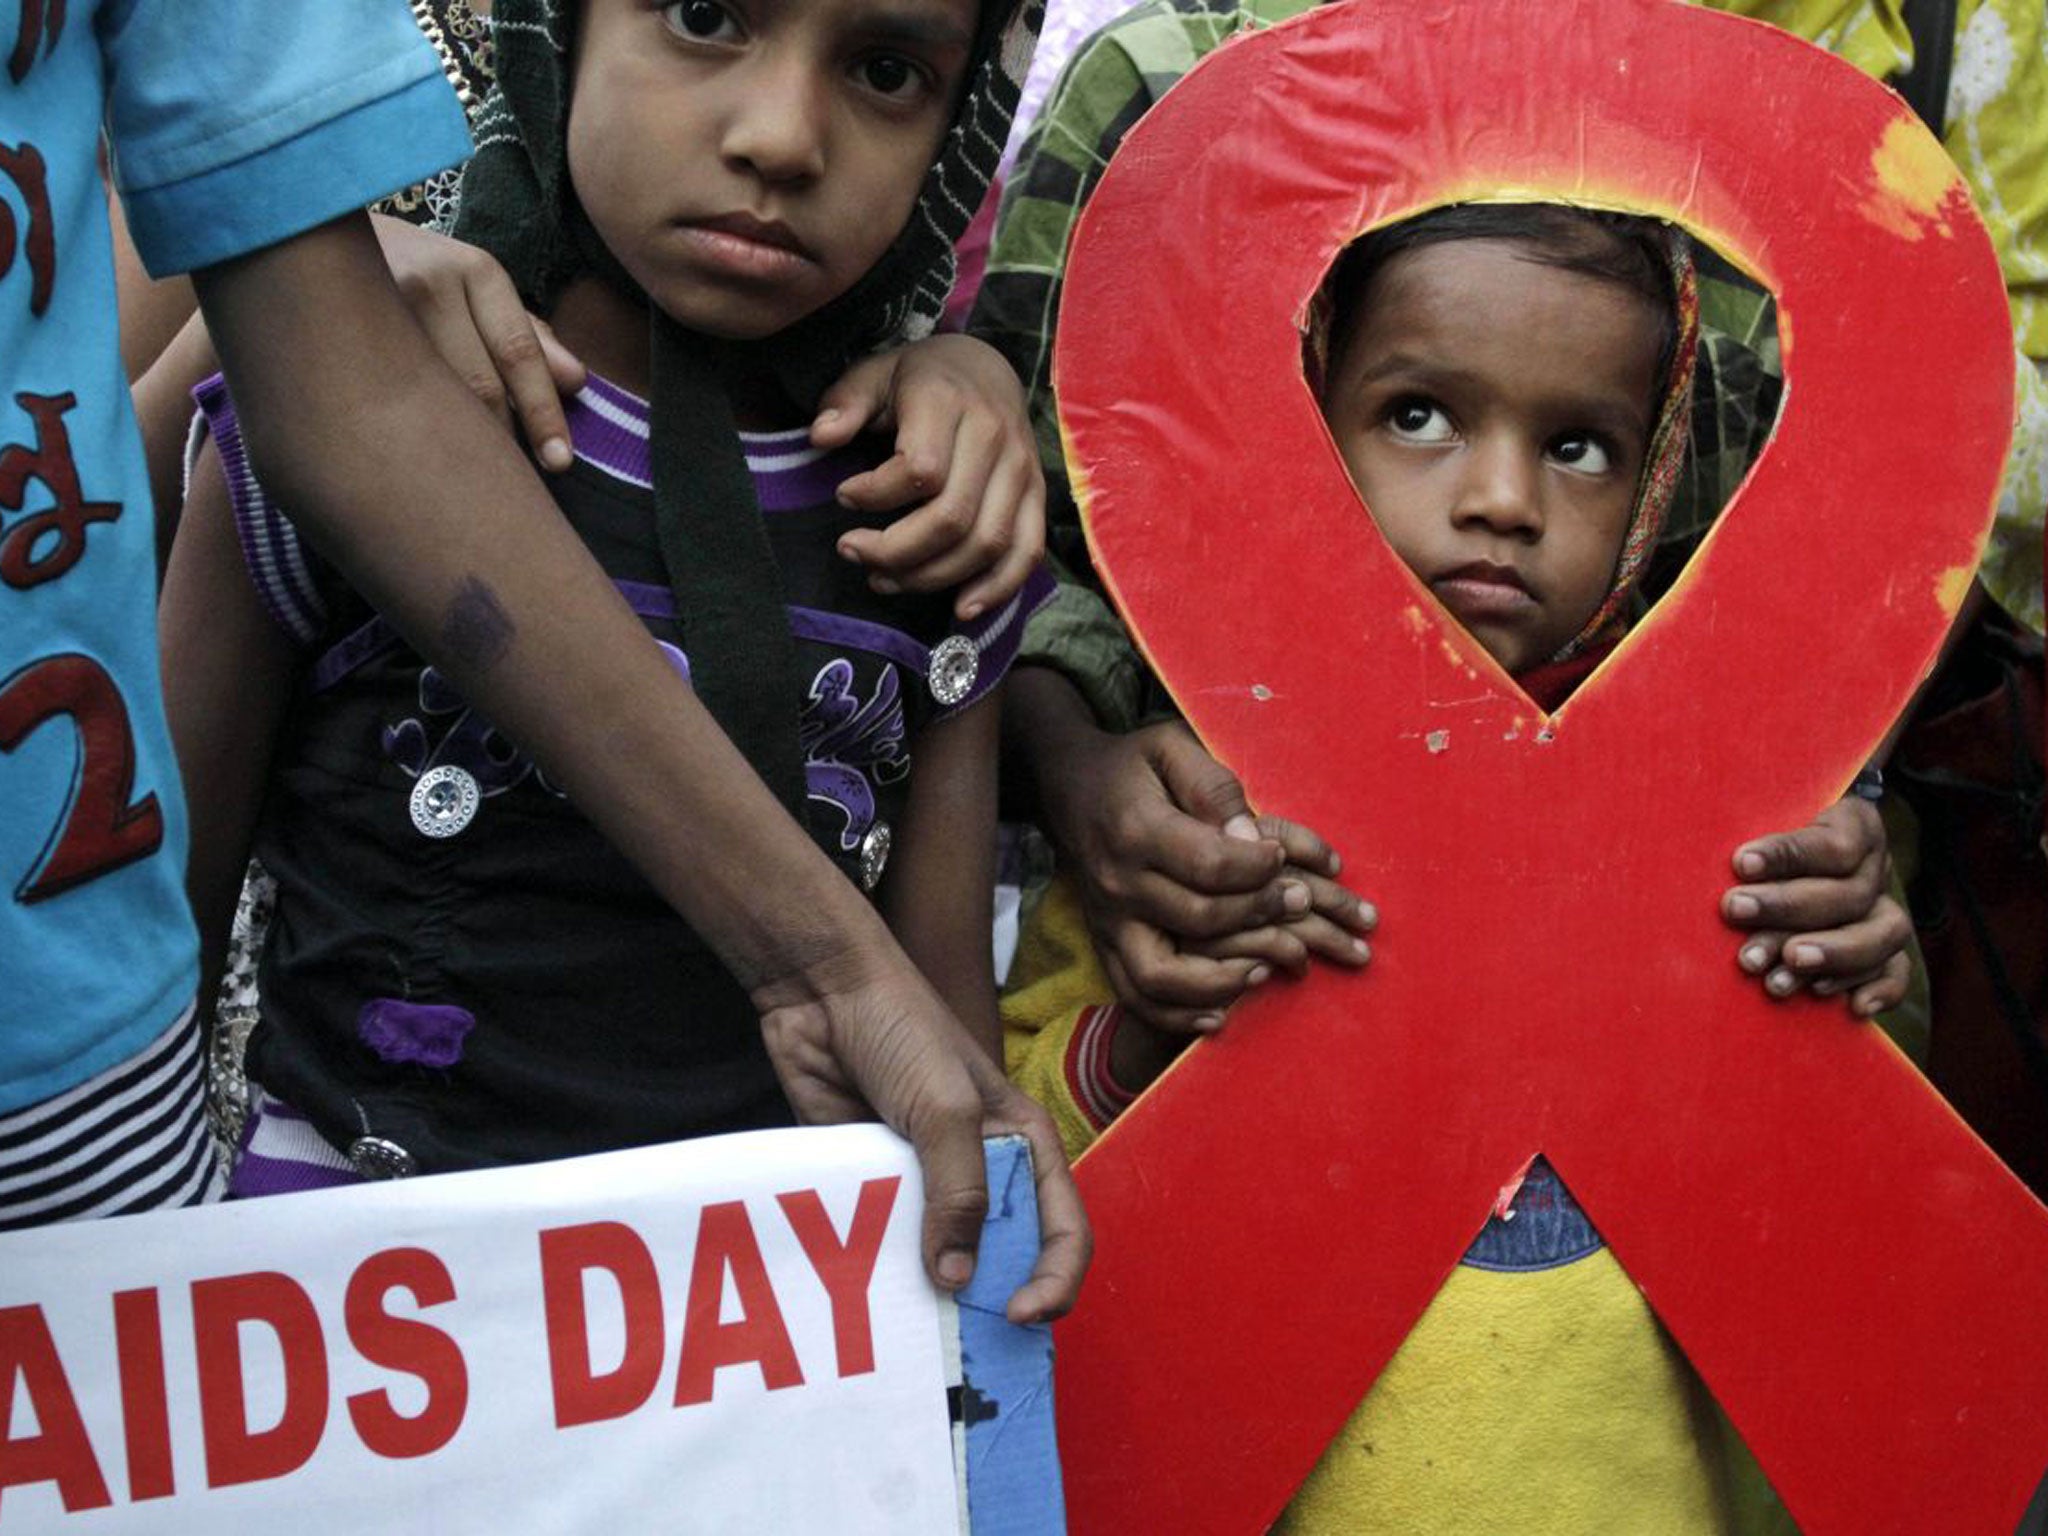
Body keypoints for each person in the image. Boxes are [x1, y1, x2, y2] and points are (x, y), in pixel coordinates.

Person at [5, 0, 1086, 1327]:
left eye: (886, 71)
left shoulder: (929, 524)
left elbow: (940, 1065)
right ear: (553, 28)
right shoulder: (329, 441)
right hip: (321, 1325)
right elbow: (148, 949)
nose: (783, 137)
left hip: (741, 1348)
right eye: (703, 16)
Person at [1016, 198, 1788, 1530]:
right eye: (1420, 415)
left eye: (1581, 446)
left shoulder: (1726, 823)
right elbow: (1027, 1153)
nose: (1501, 501)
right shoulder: (1185, 820)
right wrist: (1162, 1041)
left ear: (1662, 481)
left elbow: (1826, 1246)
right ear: (1308, 435)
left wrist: (1826, 987)